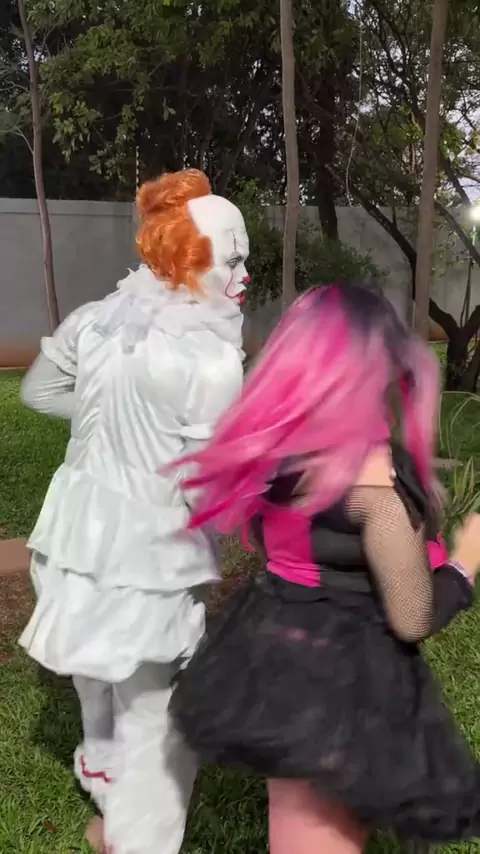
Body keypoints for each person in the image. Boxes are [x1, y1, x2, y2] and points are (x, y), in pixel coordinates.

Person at [169, 283, 480, 854]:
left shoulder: (273, 454)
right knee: (321, 831)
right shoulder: (373, 489)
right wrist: (464, 566)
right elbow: (412, 616)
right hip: (342, 673)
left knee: (310, 815)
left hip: (273, 645)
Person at [19, 168, 249, 854]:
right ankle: (138, 833)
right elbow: (208, 485)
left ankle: (99, 764)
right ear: (187, 258)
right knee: (153, 713)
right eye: (232, 257)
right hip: (148, 549)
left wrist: (108, 429)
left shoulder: (96, 318)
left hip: (71, 527)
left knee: (94, 661)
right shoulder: (211, 358)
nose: (244, 273)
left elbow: (37, 393)